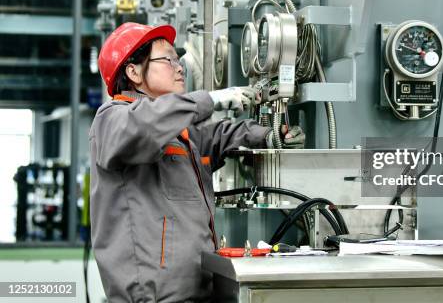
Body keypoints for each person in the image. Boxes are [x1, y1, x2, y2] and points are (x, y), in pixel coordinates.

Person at [89, 22, 304, 302]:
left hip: (198, 293)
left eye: (179, 61)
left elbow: (219, 135)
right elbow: (144, 126)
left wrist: (270, 135)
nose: (179, 68)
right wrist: (211, 99)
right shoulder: (112, 119)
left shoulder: (179, 133)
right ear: (133, 71)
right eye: (168, 60)